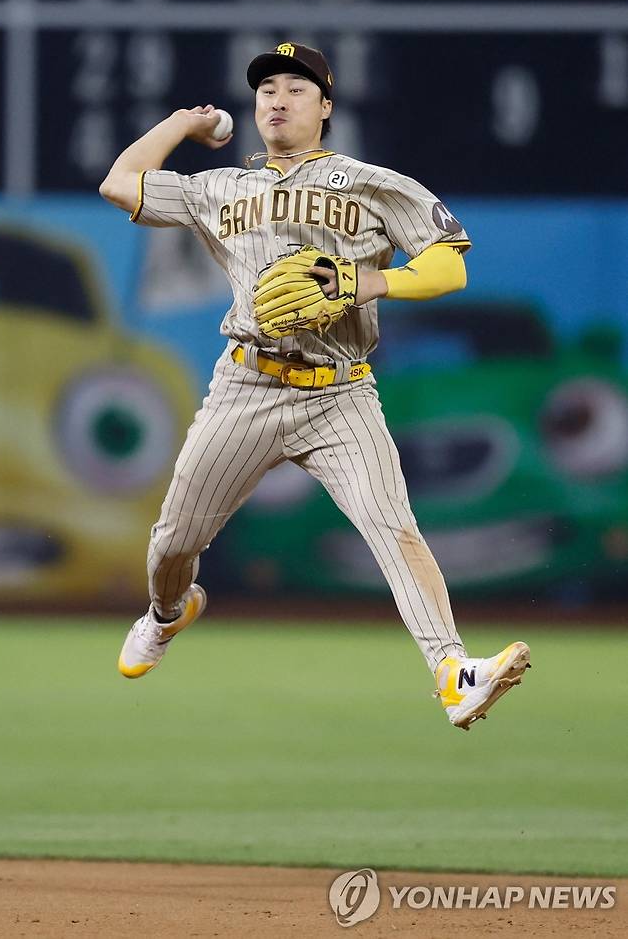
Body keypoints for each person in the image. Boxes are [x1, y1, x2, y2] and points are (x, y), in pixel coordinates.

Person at [99, 42, 530, 730]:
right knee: (173, 544)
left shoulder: (371, 182)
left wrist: (370, 280)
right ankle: (168, 612)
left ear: (326, 107)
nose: (277, 98)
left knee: (395, 528)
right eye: (267, 87)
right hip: (247, 384)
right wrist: (183, 121)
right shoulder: (221, 187)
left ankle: (454, 671)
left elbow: (450, 266)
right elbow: (121, 183)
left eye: (296, 88)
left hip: (340, 393)